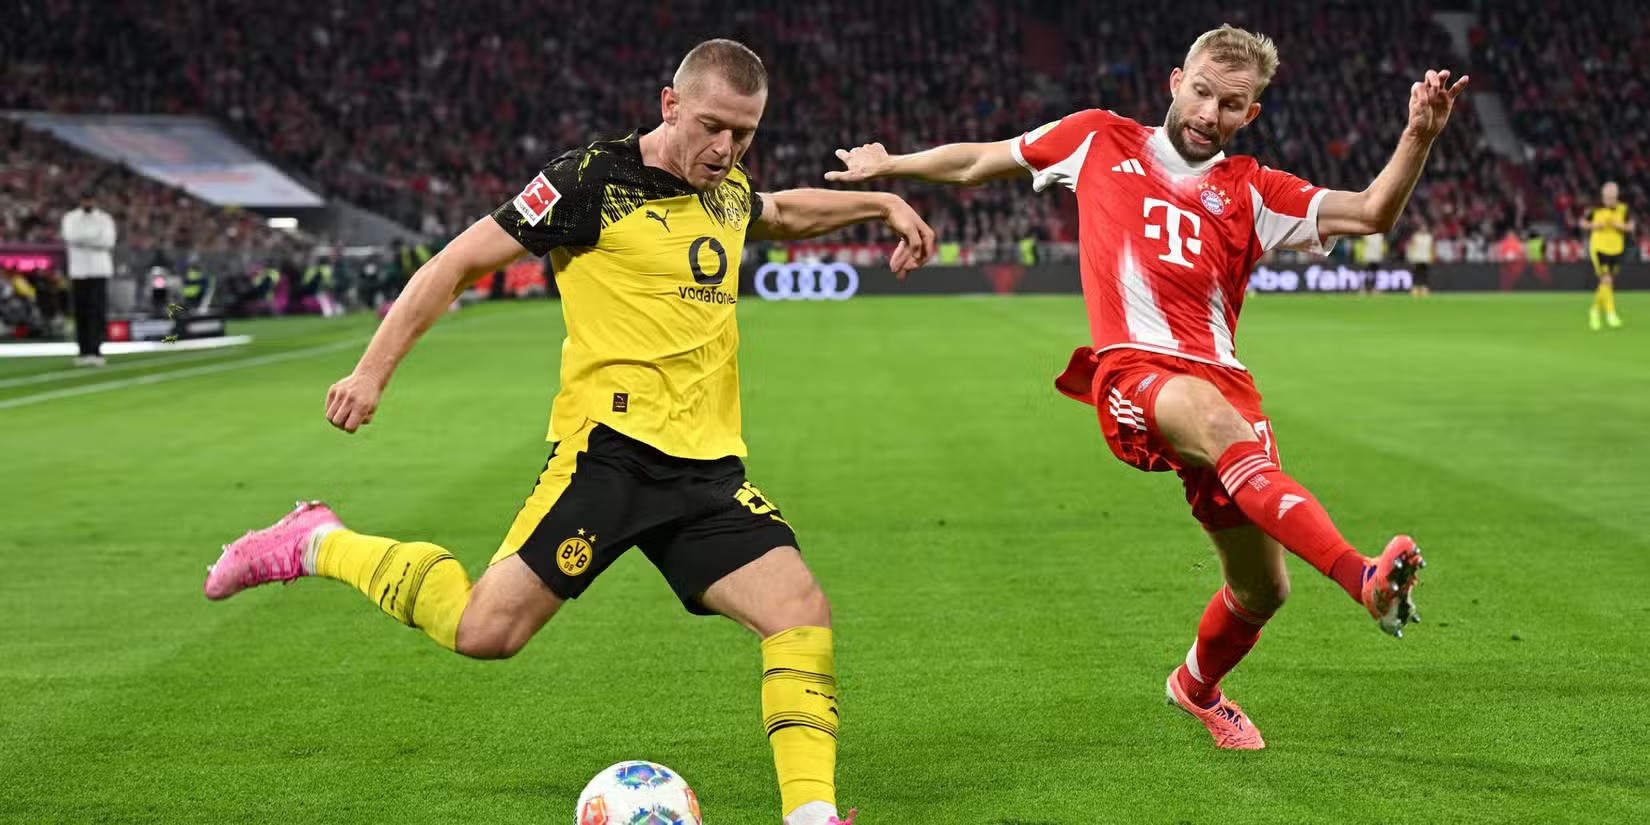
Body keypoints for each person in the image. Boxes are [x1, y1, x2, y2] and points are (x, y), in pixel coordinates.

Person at [203, 39, 935, 825]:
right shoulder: (590, 181)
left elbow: (780, 213)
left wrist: (883, 202)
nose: (726, 149)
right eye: (714, 126)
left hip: (706, 471)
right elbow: (456, 262)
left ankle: (812, 815)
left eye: (745, 134)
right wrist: (371, 371)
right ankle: (315, 540)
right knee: (486, 630)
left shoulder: (724, 188)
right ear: (670, 104)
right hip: (608, 460)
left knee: (800, 611)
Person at [828, 24, 1466, 750]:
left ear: (1250, 113)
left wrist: (1419, 134)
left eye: (1231, 104)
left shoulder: (1255, 189)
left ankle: (1195, 688)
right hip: (1135, 374)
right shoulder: (1098, 139)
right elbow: (981, 159)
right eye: (1201, 92)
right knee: (1210, 418)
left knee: (1263, 590)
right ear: (1174, 81)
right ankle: (1365, 583)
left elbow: (1371, 212)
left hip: (1225, 388)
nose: (1208, 114)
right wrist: (894, 163)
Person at [60, 192, 118, 367]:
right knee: (81, 312)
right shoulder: (70, 218)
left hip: (99, 271)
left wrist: (84, 240)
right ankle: (83, 350)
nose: (88, 202)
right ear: (81, 200)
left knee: (97, 312)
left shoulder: (105, 219)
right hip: (78, 271)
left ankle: (96, 350)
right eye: (85, 199)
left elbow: (108, 241)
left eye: (90, 199)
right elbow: (70, 237)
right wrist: (94, 238)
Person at [1581, 181, 1633, 330]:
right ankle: (1611, 314)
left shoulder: (1623, 209)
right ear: (1603, 194)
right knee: (1607, 279)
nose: (1610, 197)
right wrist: (1595, 226)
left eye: (1613, 194)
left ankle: (1595, 310)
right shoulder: (1595, 208)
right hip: (1599, 248)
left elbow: (1631, 226)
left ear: (1616, 195)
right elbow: (1583, 223)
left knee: (1606, 283)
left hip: (1616, 248)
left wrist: (1620, 226)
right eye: (1608, 195)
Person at [1405, 222, 1434, 296]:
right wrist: (1410, 257)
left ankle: (1424, 289)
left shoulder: (1429, 237)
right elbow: (1410, 247)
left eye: (1425, 227)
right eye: (1422, 227)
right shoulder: (1415, 236)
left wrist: (1432, 257)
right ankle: (1415, 288)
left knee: (1424, 274)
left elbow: (1431, 248)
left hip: (1425, 259)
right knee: (1416, 274)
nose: (1423, 229)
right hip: (1417, 258)